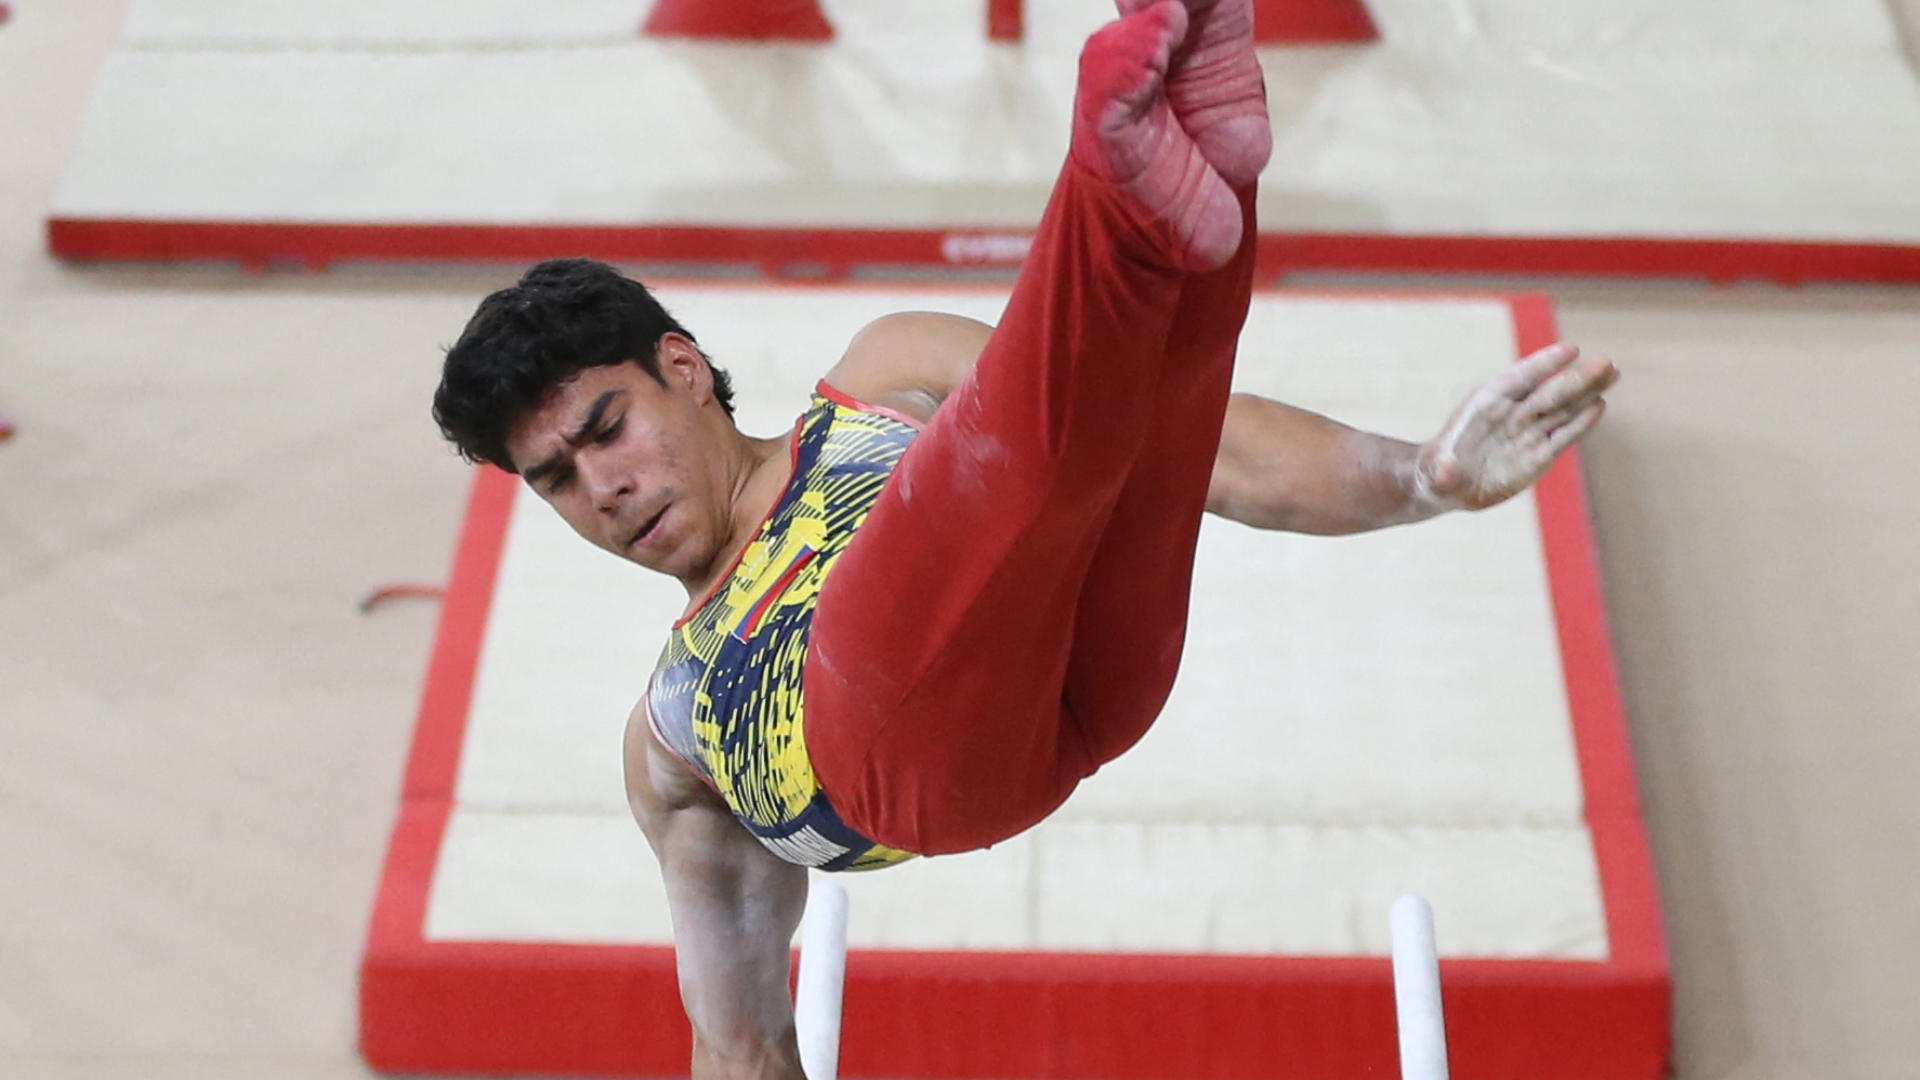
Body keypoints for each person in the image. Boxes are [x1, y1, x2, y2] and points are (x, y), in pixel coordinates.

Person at [432, 1, 1617, 1075]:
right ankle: (1114, 177)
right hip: (912, 760)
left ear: (681, 370)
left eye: (605, 429)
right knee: (994, 462)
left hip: (1088, 683)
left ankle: (1202, 162)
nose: (603, 489)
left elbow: (1218, 451)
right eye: (555, 479)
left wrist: (1425, 475)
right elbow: (740, 1043)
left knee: (1135, 419)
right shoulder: (678, 732)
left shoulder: (879, 379)